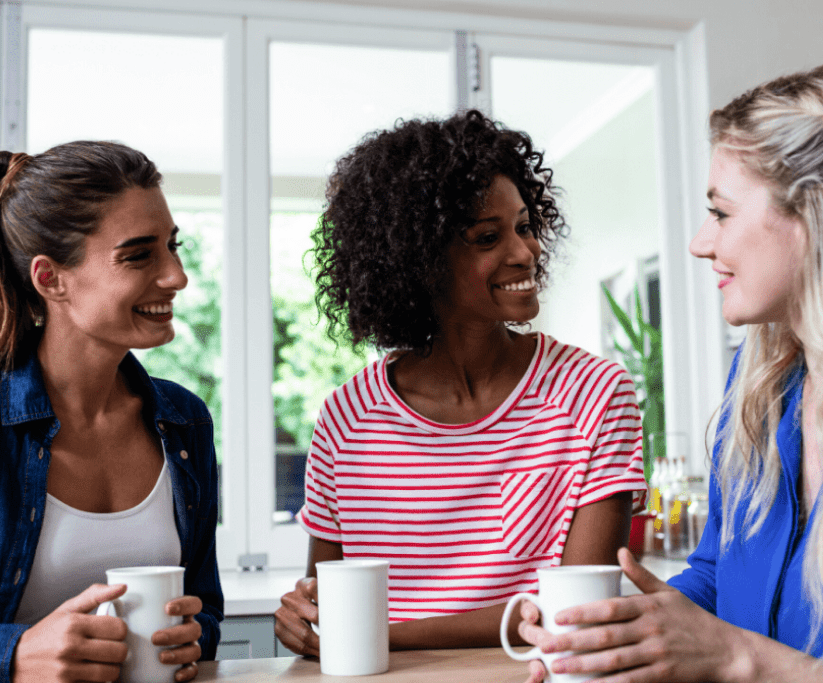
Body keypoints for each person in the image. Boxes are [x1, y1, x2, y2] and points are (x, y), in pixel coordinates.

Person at [517, 64, 823, 683]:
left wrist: (741, 660)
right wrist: (615, 630)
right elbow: (717, 573)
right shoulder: (761, 388)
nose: (699, 242)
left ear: (817, 214)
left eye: (721, 212)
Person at [273, 110, 647, 654]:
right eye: (488, 237)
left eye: (524, 226)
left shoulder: (593, 393)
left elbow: (578, 611)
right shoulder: (346, 419)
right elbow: (325, 605)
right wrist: (300, 619)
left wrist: (378, 635)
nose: (526, 252)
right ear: (418, 260)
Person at [0, 141, 224, 682]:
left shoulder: (185, 421)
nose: (176, 276)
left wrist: (194, 637)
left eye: (174, 247)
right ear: (50, 278)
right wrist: (9, 656)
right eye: (139, 254)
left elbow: (205, 609)